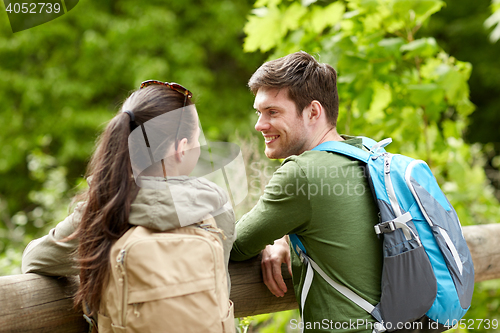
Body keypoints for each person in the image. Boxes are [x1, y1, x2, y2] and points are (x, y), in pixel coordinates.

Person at [22, 81, 236, 332]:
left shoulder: (102, 208)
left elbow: (35, 260)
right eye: (197, 139)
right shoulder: (215, 207)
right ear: (180, 149)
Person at [230, 51, 383, 333]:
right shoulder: (367, 154)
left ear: (313, 112)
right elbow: (338, 226)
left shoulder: (302, 173)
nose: (259, 125)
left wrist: (270, 240)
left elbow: (235, 245)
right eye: (259, 112)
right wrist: (284, 238)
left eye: (272, 112)